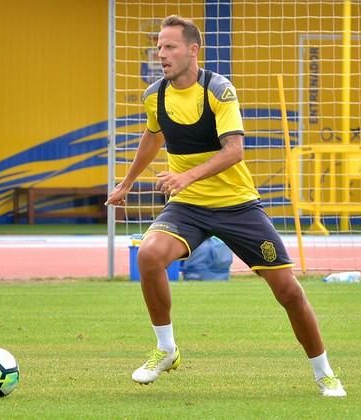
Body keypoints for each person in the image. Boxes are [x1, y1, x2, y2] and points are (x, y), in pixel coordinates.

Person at [105, 15, 346, 397]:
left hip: (237, 206)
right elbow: (153, 137)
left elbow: (234, 151)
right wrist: (127, 182)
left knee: (288, 292)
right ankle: (166, 349)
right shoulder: (155, 95)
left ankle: (325, 373)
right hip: (188, 207)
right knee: (149, 255)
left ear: (193, 50)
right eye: (159, 47)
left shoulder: (218, 89)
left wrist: (185, 176)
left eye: (170, 47)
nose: (161, 54)